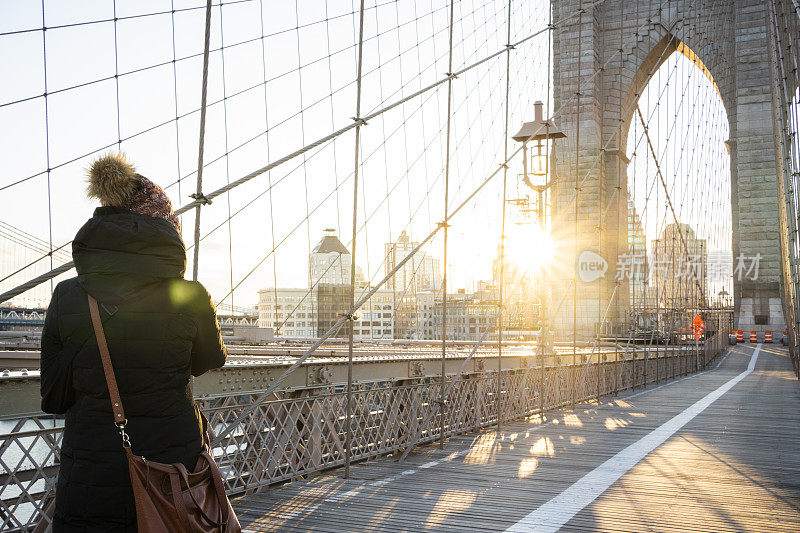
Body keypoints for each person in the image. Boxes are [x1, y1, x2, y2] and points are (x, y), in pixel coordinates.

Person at [40, 153, 227, 532]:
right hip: (171, 471)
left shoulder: (67, 296)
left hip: (91, 475)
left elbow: (54, 398)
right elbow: (210, 359)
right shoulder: (190, 295)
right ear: (164, 228)